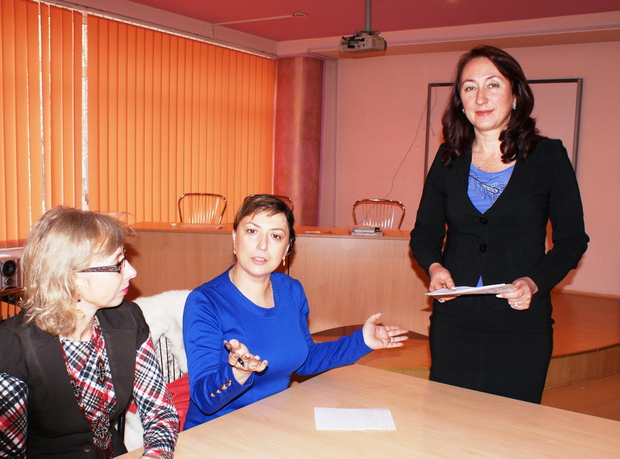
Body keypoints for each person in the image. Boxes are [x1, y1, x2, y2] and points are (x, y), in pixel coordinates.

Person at [410, 45, 588, 403]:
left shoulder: (548, 156)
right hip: (454, 321)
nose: (481, 97)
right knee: (447, 418)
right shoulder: (447, 158)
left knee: (513, 427)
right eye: (469, 87)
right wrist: (435, 267)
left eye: (493, 84)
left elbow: (572, 240)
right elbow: (424, 234)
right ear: (460, 101)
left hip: (519, 324)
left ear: (515, 95)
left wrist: (533, 282)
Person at [183, 194, 408, 428]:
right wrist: (238, 373)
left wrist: (362, 341)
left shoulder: (291, 290)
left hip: (273, 425)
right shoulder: (205, 302)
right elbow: (203, 399)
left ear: (287, 248)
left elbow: (305, 359)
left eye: (275, 236)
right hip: (219, 431)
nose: (262, 245)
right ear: (234, 238)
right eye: (252, 231)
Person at [0, 207, 179, 458]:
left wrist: (155, 455)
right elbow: (6, 454)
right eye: (117, 264)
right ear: (70, 278)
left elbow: (160, 412)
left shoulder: (128, 319)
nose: (131, 271)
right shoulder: (12, 345)